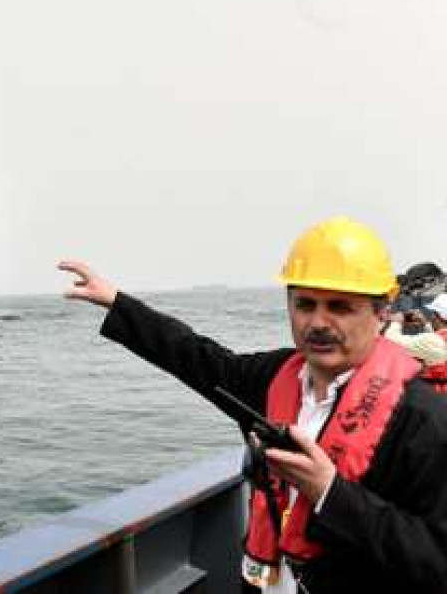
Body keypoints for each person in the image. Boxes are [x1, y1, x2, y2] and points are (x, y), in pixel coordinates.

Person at [59, 216, 447, 593]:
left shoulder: (423, 420)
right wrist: (118, 304)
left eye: (340, 307)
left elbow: (436, 561)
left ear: (381, 313)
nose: (318, 323)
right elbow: (197, 358)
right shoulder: (274, 377)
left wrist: (330, 493)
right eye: (305, 304)